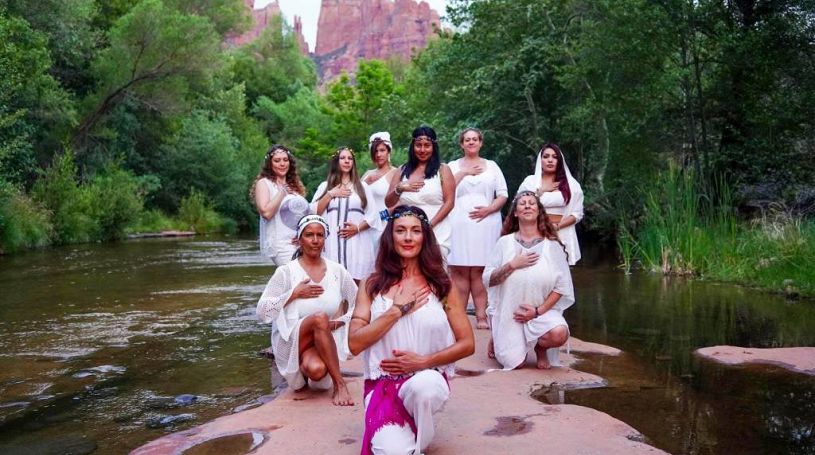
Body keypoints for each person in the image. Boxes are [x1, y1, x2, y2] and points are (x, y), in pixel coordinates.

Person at [349, 205, 474, 455]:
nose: (408, 237)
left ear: (425, 237)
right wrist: (396, 310)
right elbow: (354, 343)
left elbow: (467, 343)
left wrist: (423, 362)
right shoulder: (372, 285)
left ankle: (419, 428)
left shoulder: (441, 285)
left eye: (416, 231)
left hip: (428, 380)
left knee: (424, 387)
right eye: (401, 231)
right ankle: (409, 436)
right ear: (390, 236)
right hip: (383, 387)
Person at [256, 215, 356, 406]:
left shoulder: (337, 271)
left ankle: (305, 369)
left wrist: (339, 322)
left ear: (325, 239)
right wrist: (293, 294)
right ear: (299, 240)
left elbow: (358, 303)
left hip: (321, 340)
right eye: (309, 235)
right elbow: (262, 311)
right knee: (319, 318)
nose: (315, 240)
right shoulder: (286, 272)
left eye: (320, 235)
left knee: (317, 370)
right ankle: (340, 384)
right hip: (291, 339)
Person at [483, 191, 575, 370]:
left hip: (541, 313)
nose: (527, 206)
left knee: (559, 334)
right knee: (515, 364)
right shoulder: (504, 243)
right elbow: (488, 280)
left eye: (532, 203)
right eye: (522, 203)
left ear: (539, 211)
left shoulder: (552, 246)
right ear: (515, 213)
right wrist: (512, 265)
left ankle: (541, 349)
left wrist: (537, 311)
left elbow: (562, 287)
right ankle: (499, 335)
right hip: (511, 315)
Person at [447, 128, 508, 330]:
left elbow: (503, 194)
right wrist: (464, 172)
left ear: (481, 143)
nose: (471, 142)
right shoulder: (452, 166)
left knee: (481, 270)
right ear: (462, 144)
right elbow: (445, 190)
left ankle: (481, 315)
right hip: (458, 223)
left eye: (475, 139)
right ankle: (460, 316)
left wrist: (489, 209)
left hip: (486, 223)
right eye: (467, 140)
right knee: (460, 269)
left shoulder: (492, 166)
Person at [384, 126, 455, 258]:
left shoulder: (443, 170)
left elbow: (449, 202)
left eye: (427, 145)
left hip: (436, 230)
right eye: (418, 145)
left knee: (434, 266)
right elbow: (389, 202)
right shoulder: (402, 170)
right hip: (407, 232)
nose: (422, 150)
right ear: (413, 146)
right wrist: (399, 188)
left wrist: (428, 225)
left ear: (434, 147)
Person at [312, 147, 380, 281]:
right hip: (332, 241)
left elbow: (373, 216)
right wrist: (331, 194)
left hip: (357, 241)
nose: (347, 161)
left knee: (357, 280)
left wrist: (357, 228)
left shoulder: (362, 187)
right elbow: (314, 212)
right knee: (333, 280)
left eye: (350, 158)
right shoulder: (325, 186)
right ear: (336, 162)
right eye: (342, 158)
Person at [517, 143, 584, 265]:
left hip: (561, 233)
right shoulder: (530, 182)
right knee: (534, 270)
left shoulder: (571, 185)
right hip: (533, 233)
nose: (550, 160)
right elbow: (518, 206)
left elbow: (577, 213)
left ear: (560, 161)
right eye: (546, 156)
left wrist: (555, 227)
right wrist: (541, 191)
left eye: (554, 157)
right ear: (540, 160)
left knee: (560, 272)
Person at [252, 145, 309, 265]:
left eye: (285, 160)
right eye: (277, 161)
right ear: (270, 164)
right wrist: (282, 192)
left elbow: (304, 215)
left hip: (301, 243)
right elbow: (266, 213)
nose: (282, 164)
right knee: (296, 274)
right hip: (281, 245)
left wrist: (303, 234)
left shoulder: (295, 186)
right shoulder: (264, 183)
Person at [362, 132, 398, 255]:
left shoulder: (396, 173)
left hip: (385, 224)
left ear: (389, 151)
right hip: (365, 226)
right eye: (375, 151)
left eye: (382, 150)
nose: (378, 154)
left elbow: (401, 201)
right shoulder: (367, 174)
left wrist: (380, 216)